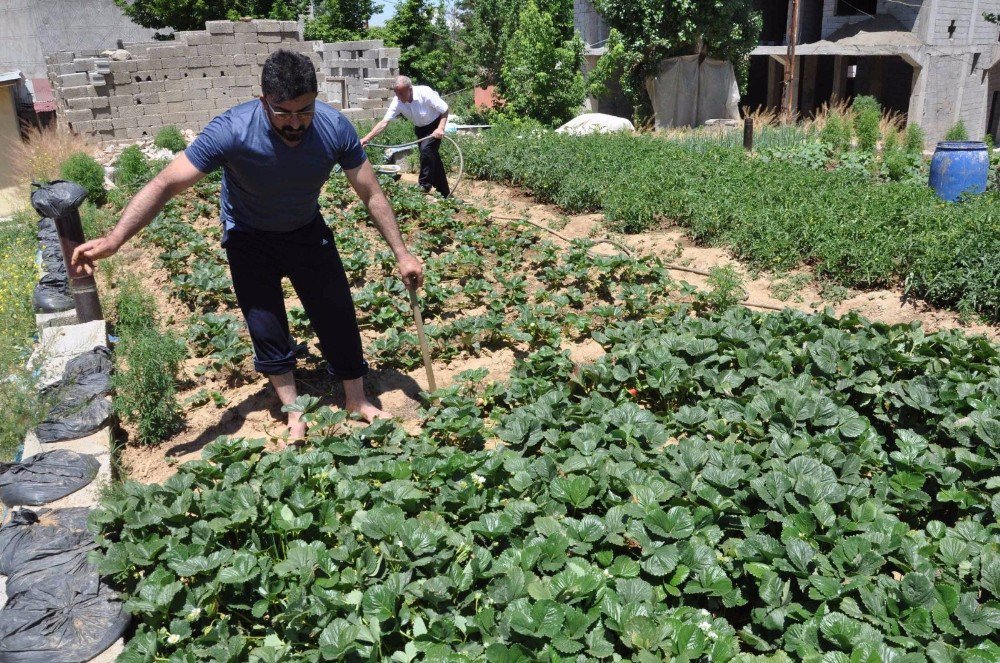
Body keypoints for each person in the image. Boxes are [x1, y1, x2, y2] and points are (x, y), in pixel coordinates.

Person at [71, 50, 424, 445]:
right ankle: (292, 409)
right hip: (248, 234)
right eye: (283, 113)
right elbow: (166, 183)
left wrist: (402, 251)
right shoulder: (232, 131)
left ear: (316, 98)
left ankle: (356, 399)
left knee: (336, 306)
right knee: (265, 321)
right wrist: (117, 237)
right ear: (263, 101)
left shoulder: (333, 128)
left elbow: (370, 191)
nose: (295, 123)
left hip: (305, 227)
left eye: (304, 111)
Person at [360, 76, 450, 198]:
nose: (399, 97)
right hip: (420, 129)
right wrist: (366, 138)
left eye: (402, 94)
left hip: (435, 125)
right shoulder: (397, 101)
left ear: (410, 89)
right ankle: (444, 193)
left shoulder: (425, 93)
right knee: (432, 158)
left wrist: (440, 128)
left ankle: (424, 184)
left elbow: (445, 110)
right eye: (397, 94)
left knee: (426, 150)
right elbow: (384, 122)